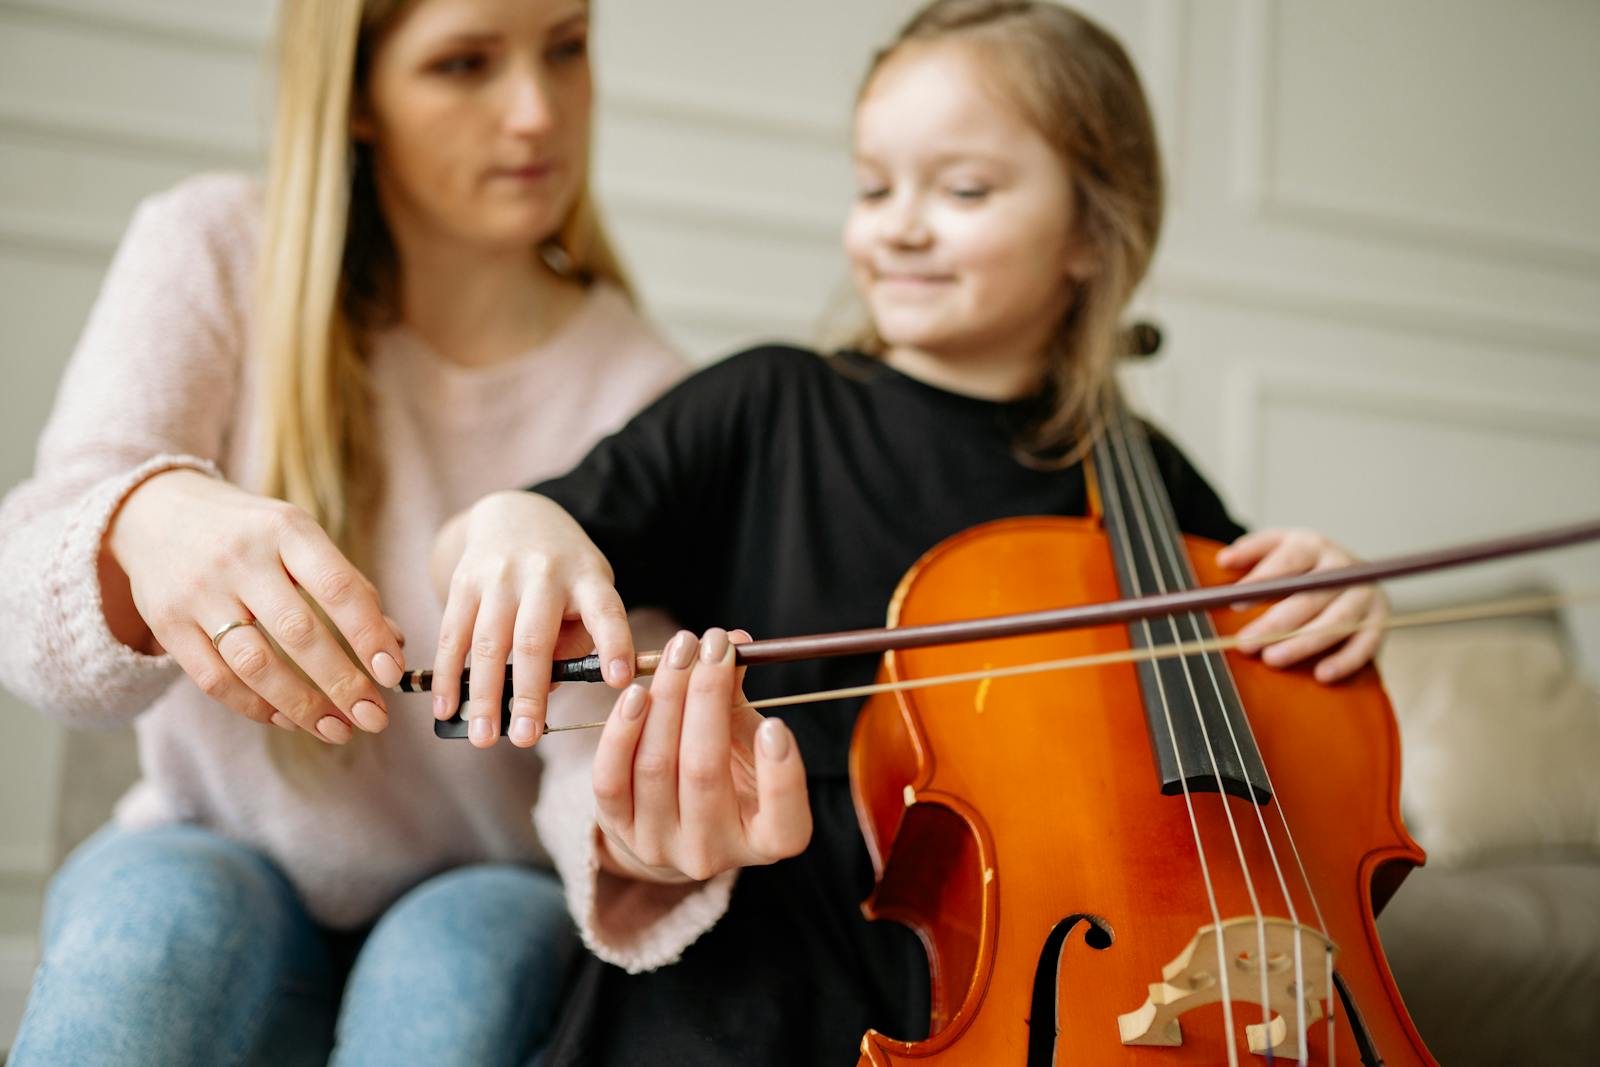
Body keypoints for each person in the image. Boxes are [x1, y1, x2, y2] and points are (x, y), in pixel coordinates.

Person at [430, 1, 1390, 1063]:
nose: (899, 224)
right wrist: (514, 521)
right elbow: (538, 525)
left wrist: (1329, 591)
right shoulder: (769, 403)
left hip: (1046, 982)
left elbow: (1271, 680)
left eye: (963, 189)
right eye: (873, 186)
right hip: (764, 951)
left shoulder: (1144, 478)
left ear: (1089, 229)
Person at [0, 0, 683, 1063]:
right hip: (211, 851)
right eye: (463, 64)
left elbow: (594, 754)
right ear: (357, 97)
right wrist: (142, 520)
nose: (536, 112)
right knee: (154, 926)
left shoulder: (647, 389)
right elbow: (34, 639)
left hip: (491, 889)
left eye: (567, 48)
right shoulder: (214, 247)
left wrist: (653, 821)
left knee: (455, 957)